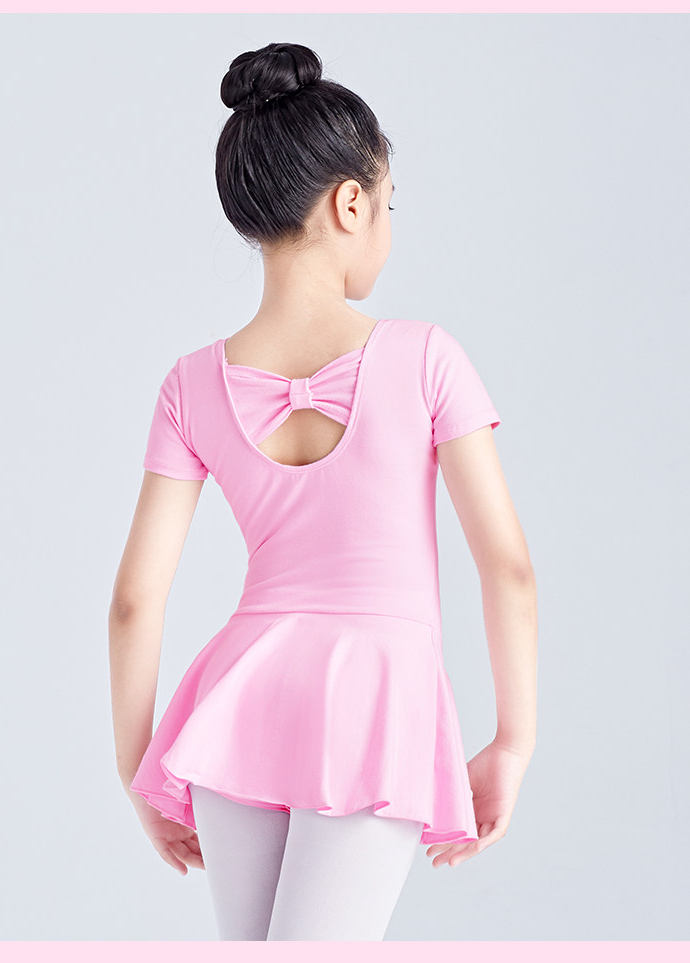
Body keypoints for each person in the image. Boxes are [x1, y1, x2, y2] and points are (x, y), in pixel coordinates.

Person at [109, 41, 538, 942]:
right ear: (351, 203)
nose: (388, 223)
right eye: (389, 204)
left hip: (244, 698)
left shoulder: (190, 384)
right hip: (377, 696)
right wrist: (513, 738)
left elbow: (135, 600)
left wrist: (137, 763)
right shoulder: (426, 358)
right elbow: (508, 567)